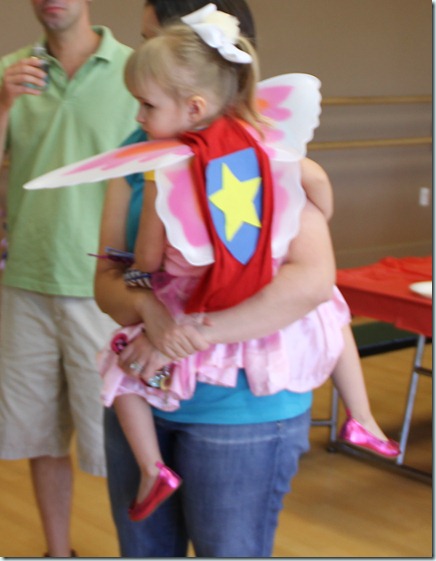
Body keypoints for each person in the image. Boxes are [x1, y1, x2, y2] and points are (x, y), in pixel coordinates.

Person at [96, 2, 400, 525]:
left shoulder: (169, 168)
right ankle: (362, 416)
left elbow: (144, 261)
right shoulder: (260, 153)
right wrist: (148, 310)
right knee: (332, 314)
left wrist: (155, 306)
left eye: (146, 102)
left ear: (193, 100)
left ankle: (152, 469)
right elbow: (318, 191)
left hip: (240, 405)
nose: (139, 117)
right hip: (191, 354)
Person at [0, 0, 138, 557]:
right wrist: (4, 103)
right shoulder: (9, 71)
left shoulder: (134, 70)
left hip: (105, 288)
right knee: (41, 436)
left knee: (122, 442)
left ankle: (141, 551)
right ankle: (58, 552)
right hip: (25, 282)